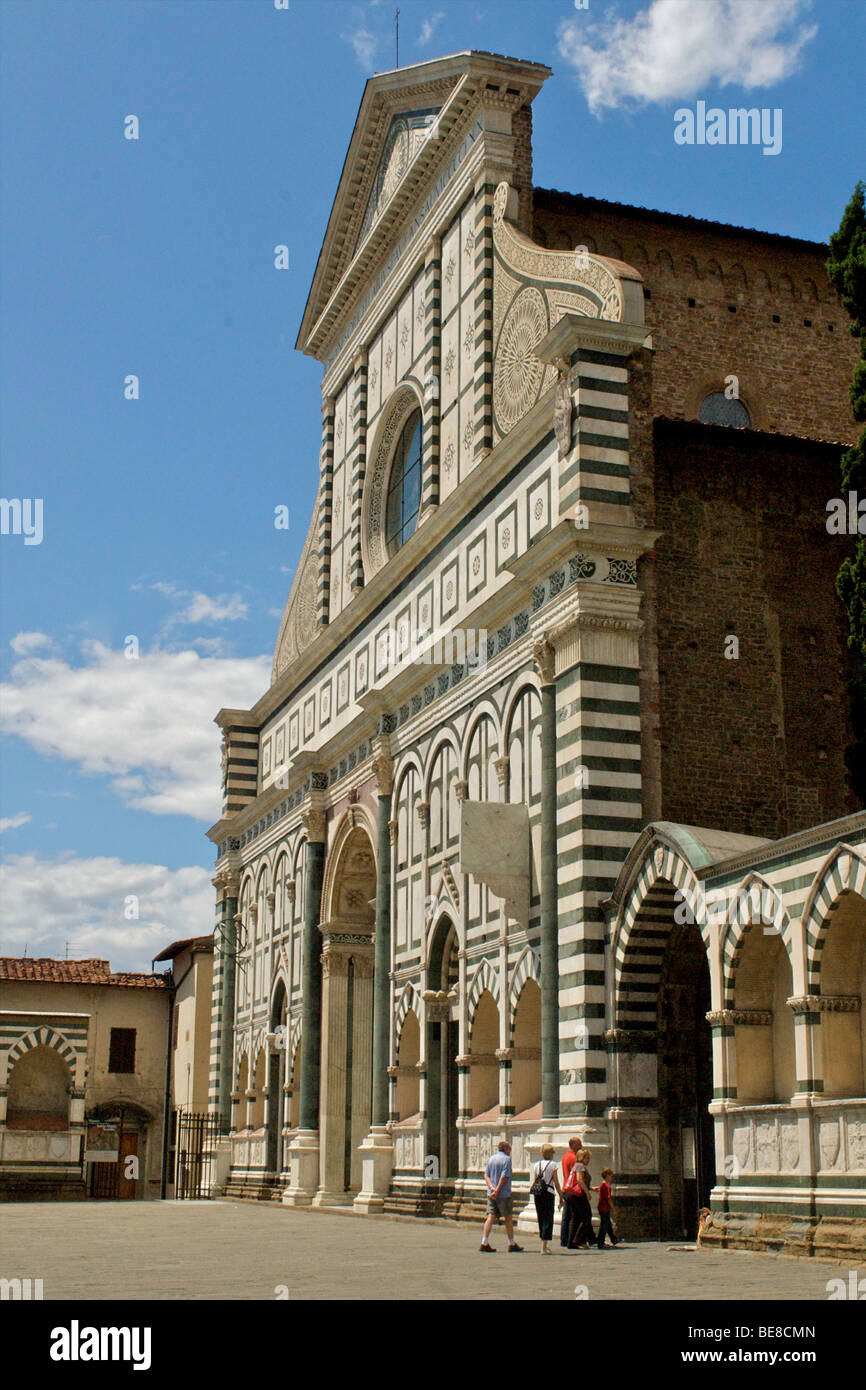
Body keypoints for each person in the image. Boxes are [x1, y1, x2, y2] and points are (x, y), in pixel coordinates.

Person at [480, 1140, 524, 1252]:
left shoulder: (492, 1158)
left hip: (491, 1194)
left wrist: (492, 1188)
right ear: (505, 1149)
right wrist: (498, 1190)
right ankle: (511, 1243)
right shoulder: (507, 1159)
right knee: (508, 1218)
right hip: (503, 1193)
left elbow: (486, 1175)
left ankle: (484, 1242)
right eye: (509, 1148)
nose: (510, 1151)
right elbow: (504, 1177)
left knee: (490, 1216)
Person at [530, 1143, 561, 1254]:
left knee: (541, 1217)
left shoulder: (537, 1164)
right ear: (550, 1153)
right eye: (552, 1152)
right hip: (548, 1192)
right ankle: (544, 1246)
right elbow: (556, 1182)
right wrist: (561, 1195)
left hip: (538, 1193)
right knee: (548, 1218)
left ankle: (543, 1244)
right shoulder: (553, 1165)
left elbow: (534, 1181)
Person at [564, 1147, 595, 1249]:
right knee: (587, 1216)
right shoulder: (580, 1166)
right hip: (578, 1195)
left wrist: (591, 1188)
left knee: (576, 1218)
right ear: (582, 1158)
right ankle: (578, 1239)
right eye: (587, 1158)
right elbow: (580, 1181)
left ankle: (571, 1242)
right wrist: (587, 1193)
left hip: (570, 1194)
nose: (588, 1160)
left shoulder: (575, 1166)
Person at [559, 1136, 582, 1248]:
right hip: (572, 1189)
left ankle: (564, 1239)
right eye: (579, 1143)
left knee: (566, 1216)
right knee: (574, 1216)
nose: (581, 1145)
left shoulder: (565, 1156)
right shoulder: (574, 1158)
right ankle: (571, 1239)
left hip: (565, 1188)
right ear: (573, 1145)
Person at [594, 1167, 619, 1248]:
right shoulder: (607, 1186)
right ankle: (600, 1242)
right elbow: (608, 1198)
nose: (611, 1178)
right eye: (611, 1176)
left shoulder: (602, 1185)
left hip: (601, 1207)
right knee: (604, 1225)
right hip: (605, 1208)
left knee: (607, 1223)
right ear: (607, 1176)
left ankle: (613, 1239)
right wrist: (613, 1209)